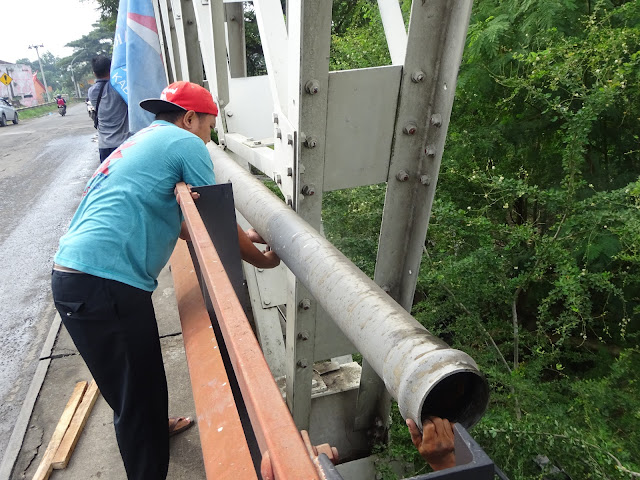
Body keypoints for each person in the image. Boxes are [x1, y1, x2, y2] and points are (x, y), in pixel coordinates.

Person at [51, 81, 280, 480]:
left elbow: (186, 224)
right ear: (190, 118)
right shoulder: (186, 143)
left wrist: (249, 236)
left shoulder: (145, 140)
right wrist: (262, 261)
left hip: (80, 277)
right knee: (134, 399)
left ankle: (158, 426)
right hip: (104, 286)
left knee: (139, 377)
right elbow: (213, 217)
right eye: (209, 127)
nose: (209, 138)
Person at [87, 56, 130, 163]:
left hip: (104, 146)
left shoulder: (91, 92)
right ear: (111, 69)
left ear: (94, 73)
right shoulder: (120, 87)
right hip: (124, 144)